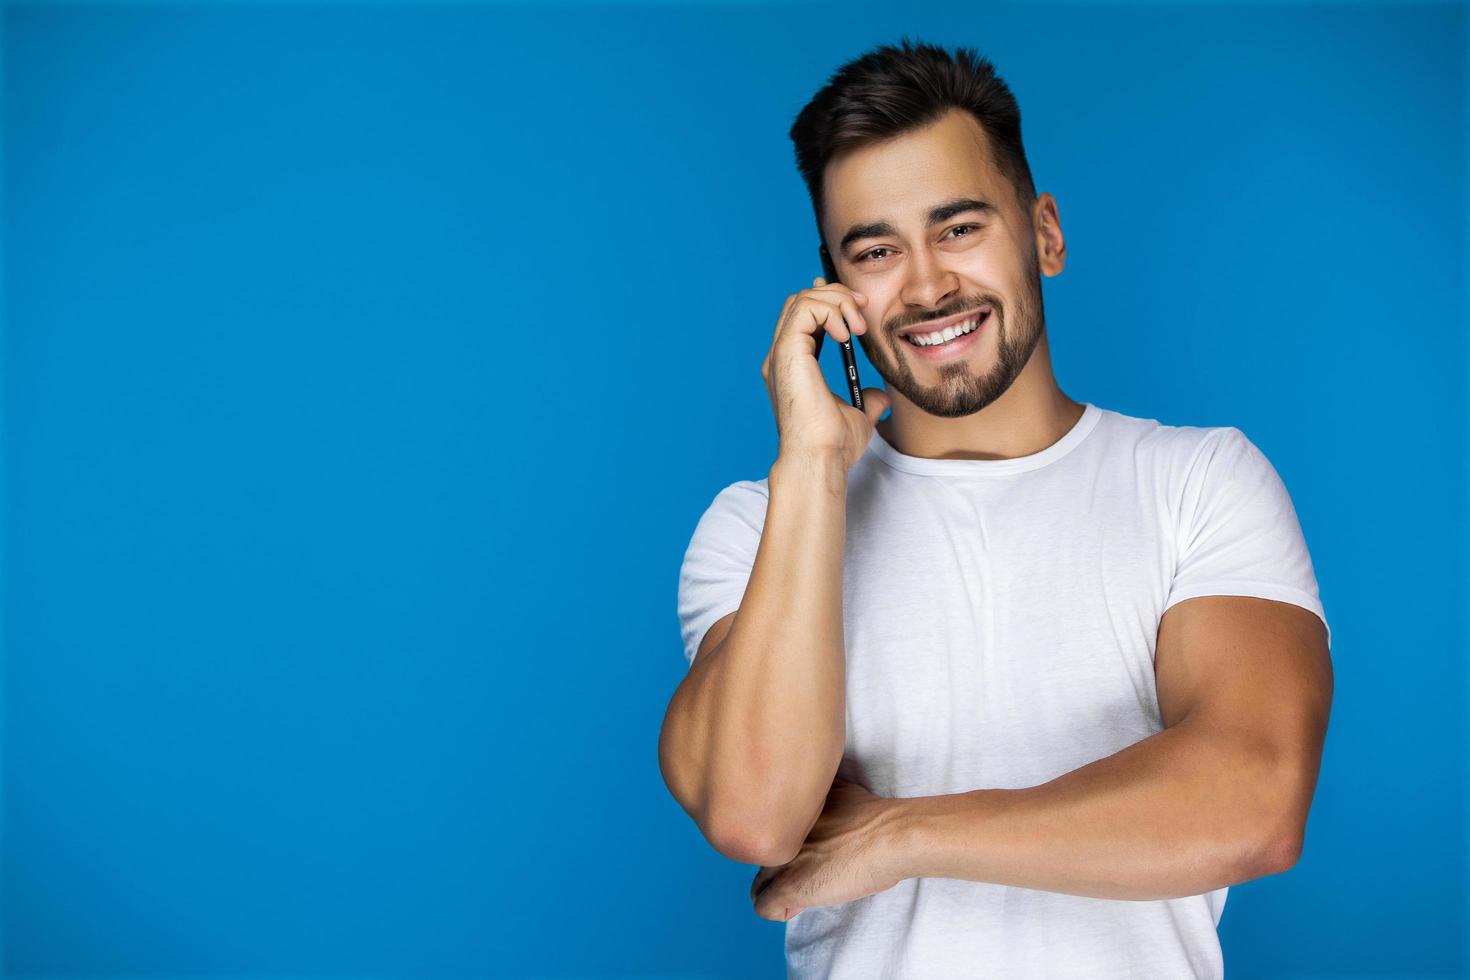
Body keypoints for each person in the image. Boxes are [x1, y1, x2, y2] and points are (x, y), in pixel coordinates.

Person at [658, 37, 1333, 980]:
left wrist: (900, 835)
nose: (928, 284)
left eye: (960, 228)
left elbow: (1255, 800)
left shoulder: (1199, 483)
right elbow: (755, 812)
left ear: (1044, 234)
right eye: (877, 250)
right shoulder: (760, 526)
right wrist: (812, 467)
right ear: (835, 294)